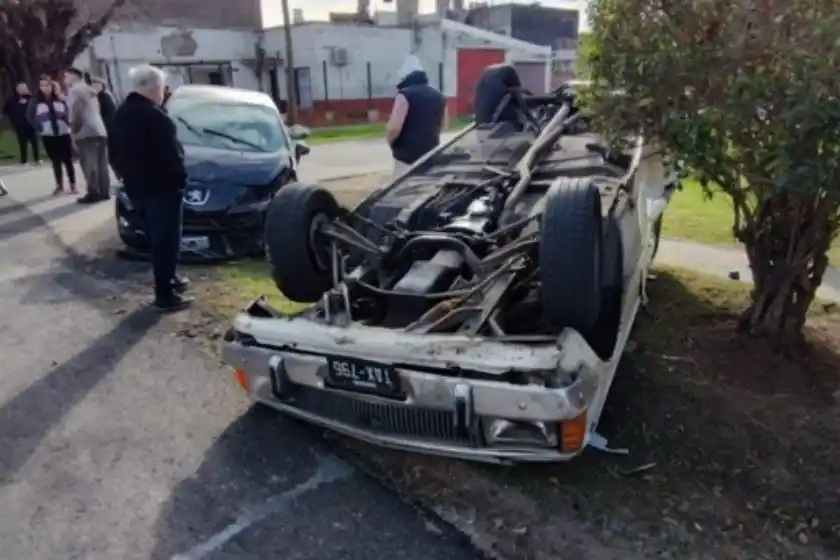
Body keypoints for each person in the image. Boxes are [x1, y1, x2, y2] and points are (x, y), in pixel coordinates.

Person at [112, 64, 192, 312]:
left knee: (156, 239)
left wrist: (124, 177)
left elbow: (112, 152)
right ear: (153, 87)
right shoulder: (156, 117)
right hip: (162, 190)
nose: (163, 93)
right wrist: (180, 182)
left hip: (137, 189)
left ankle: (171, 278)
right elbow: (173, 156)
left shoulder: (121, 113)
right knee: (166, 241)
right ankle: (165, 294)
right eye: (162, 88)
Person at [386, 56, 447, 178]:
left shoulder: (404, 95)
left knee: (402, 191)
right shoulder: (439, 96)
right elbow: (444, 125)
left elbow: (394, 129)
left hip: (406, 156)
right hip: (430, 154)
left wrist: (391, 142)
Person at [63, 67, 109, 204]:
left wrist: (73, 129)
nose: (65, 79)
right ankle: (104, 191)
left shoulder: (75, 90)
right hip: (99, 129)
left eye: (66, 76)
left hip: (85, 131)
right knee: (101, 163)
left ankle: (93, 191)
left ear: (73, 76)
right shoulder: (90, 90)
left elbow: (76, 111)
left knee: (89, 163)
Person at [28, 76, 76, 195]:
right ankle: (59, 186)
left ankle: (73, 185)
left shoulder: (60, 99)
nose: (45, 88)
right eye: (42, 86)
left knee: (68, 160)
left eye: (47, 85)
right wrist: (39, 127)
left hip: (63, 133)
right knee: (55, 161)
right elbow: (29, 116)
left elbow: (68, 112)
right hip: (48, 134)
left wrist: (68, 122)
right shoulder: (36, 101)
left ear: (52, 86)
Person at [90, 76, 120, 181]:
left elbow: (107, 114)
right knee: (112, 156)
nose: (94, 87)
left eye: (96, 84)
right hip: (109, 128)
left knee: (113, 156)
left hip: (109, 129)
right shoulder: (105, 96)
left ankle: (119, 177)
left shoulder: (103, 96)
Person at [2, 82, 40, 165]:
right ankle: (24, 160)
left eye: (24, 88)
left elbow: (36, 109)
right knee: (22, 142)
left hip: (31, 124)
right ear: (17, 90)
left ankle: (37, 159)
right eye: (21, 89)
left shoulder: (31, 99)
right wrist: (12, 119)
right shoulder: (12, 100)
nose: (23, 90)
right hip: (19, 125)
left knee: (34, 141)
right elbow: (5, 110)